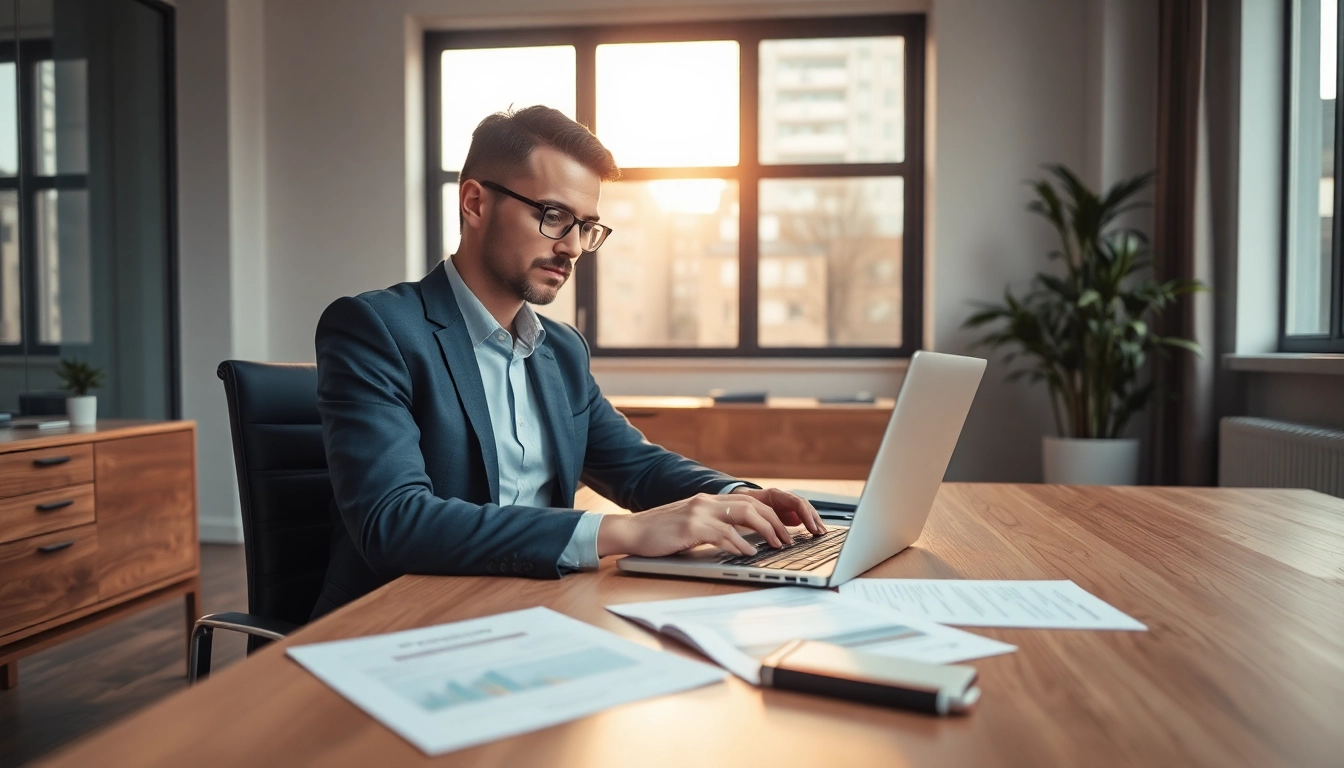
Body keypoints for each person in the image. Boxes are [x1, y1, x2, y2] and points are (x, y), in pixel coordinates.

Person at [311, 105, 824, 618]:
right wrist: (619, 532)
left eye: (587, 227)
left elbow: (638, 467)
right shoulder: (375, 329)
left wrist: (739, 498)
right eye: (553, 216)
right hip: (401, 619)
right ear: (474, 203)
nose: (573, 247)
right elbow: (394, 521)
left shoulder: (561, 350)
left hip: (534, 608)